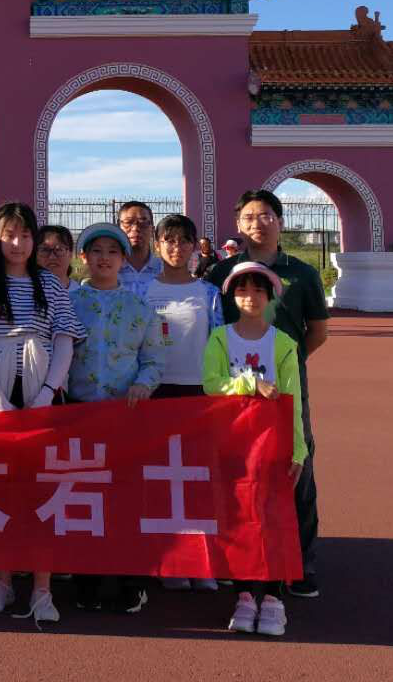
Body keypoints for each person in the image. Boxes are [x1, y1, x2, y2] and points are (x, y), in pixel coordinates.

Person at [0, 202, 84, 624]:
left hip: (40, 385)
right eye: (9, 235)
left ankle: (42, 588)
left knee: (42, 489)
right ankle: (2, 580)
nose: (17, 243)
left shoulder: (50, 284)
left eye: (25, 235)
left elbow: (65, 340)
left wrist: (48, 392)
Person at [206, 189, 328, 599]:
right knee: (235, 473)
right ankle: (237, 559)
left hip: (285, 390)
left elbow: (317, 332)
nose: (257, 223)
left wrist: (285, 364)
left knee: (296, 469)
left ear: (280, 221)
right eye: (249, 217)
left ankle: (300, 563)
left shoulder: (302, 274)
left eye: (266, 216)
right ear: (238, 225)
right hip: (234, 393)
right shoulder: (221, 272)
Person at [205, 262, 307, 638]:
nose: (251, 297)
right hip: (233, 443)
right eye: (243, 290)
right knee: (238, 518)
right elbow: (211, 383)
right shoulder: (220, 338)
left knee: (274, 518)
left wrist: (298, 451)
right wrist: (250, 384)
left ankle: (274, 597)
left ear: (270, 296)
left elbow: (293, 400)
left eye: (258, 290)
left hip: (273, 446)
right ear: (232, 296)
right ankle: (245, 595)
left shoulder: (283, 343)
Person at [67, 221, 164, 614]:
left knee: (125, 498)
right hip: (79, 414)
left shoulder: (140, 308)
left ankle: (131, 580)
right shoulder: (69, 303)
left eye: (112, 251)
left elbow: (154, 360)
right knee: (82, 495)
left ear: (124, 259)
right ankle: (86, 579)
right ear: (83, 257)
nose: (104, 258)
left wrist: (143, 384)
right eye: (96, 251)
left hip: (125, 416)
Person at [145, 213, 224, 592]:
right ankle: (170, 560)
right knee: (162, 479)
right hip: (155, 393)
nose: (176, 247)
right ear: (157, 245)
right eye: (169, 240)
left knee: (198, 479)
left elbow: (221, 342)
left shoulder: (208, 293)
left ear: (195, 246)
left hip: (198, 393)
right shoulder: (141, 291)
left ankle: (202, 561)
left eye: (184, 240)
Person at [117, 200, 163, 298]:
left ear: (152, 229)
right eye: (128, 222)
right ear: (118, 228)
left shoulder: (164, 270)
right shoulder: (109, 270)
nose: (135, 228)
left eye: (143, 223)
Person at [37, 224, 75, 290]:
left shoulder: (83, 294)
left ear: (70, 255)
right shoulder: (24, 292)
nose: (52, 257)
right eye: (45, 250)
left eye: (59, 250)